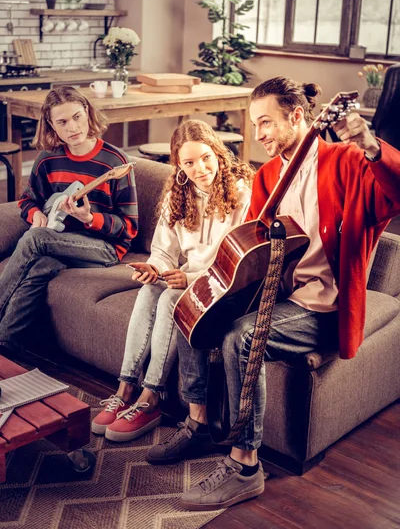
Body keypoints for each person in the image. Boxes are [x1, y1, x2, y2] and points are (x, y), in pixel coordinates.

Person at [146, 76, 400, 511]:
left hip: (322, 305)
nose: (258, 134)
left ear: (297, 116)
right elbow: (256, 250)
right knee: (191, 312)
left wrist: (371, 145)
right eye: (255, 123)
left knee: (241, 337)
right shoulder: (267, 177)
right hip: (278, 296)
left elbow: (393, 195)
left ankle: (246, 465)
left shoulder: (345, 162)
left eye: (266, 122)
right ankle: (199, 423)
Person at [91, 119, 254, 442]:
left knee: (169, 297)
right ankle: (125, 389)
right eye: (189, 163)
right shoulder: (177, 195)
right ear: (179, 166)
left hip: (223, 285)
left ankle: (150, 396)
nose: (200, 169)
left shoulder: (241, 195)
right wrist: (154, 268)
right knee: (152, 287)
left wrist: (189, 276)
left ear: (218, 154)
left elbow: (238, 263)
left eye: (206, 157)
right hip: (189, 279)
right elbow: (163, 252)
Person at [0, 86, 138, 356]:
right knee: (39, 267)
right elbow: (28, 200)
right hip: (60, 243)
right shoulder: (48, 159)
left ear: (87, 112)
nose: (72, 127)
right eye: (62, 122)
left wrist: (90, 218)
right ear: (51, 124)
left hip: (105, 248)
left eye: (77, 117)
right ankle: (7, 346)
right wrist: (36, 214)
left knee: (36, 238)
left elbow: (129, 228)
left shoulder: (115, 162)